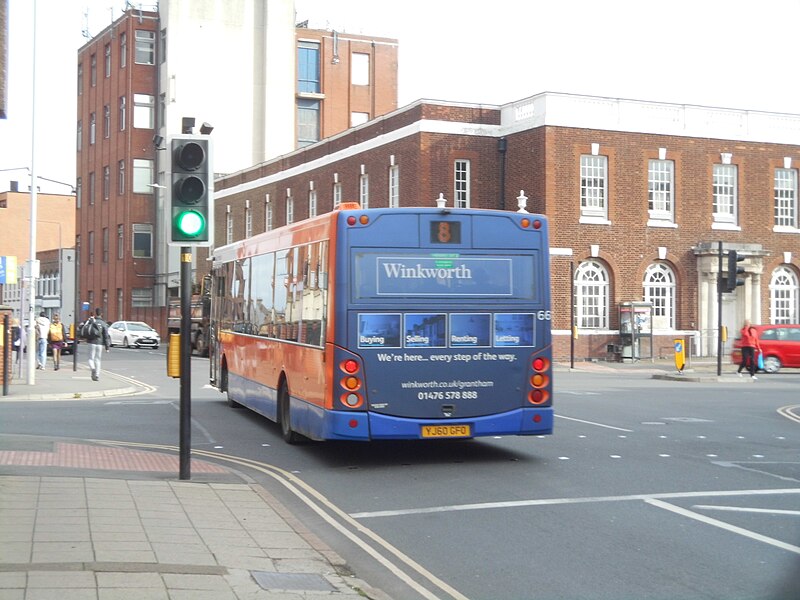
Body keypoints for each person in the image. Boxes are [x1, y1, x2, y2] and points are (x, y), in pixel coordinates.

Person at [81, 308, 110, 381]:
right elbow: (106, 335)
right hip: (99, 344)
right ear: (101, 314)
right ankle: (97, 375)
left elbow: (85, 329)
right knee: (98, 360)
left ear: (95, 313)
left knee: (90, 358)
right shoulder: (103, 323)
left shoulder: (91, 321)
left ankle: (92, 369)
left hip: (91, 342)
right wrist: (107, 347)